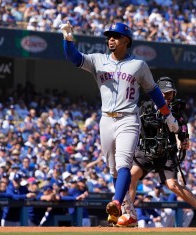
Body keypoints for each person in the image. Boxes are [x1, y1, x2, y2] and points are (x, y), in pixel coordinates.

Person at [60, 21, 179, 223]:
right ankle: (129, 213)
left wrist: (168, 116)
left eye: (115, 36)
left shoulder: (139, 65)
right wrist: (68, 39)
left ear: (126, 40)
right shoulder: (98, 60)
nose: (111, 39)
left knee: (124, 163)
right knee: (114, 169)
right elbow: (73, 58)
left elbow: (154, 92)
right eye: (109, 36)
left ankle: (115, 203)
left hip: (128, 119)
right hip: (106, 119)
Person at [116, 77, 196, 227]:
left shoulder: (177, 111)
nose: (167, 96)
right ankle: (128, 215)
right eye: (163, 93)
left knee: (172, 185)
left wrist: (183, 141)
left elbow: (182, 130)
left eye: (170, 93)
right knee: (130, 177)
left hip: (166, 153)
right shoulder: (146, 108)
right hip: (146, 150)